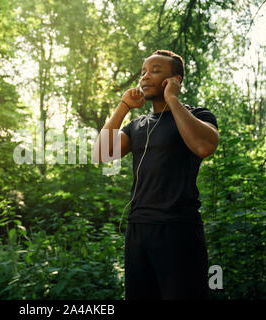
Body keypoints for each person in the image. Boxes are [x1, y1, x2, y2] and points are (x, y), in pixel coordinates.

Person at [92, 50, 219, 299]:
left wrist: (172, 99)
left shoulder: (198, 115)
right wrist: (124, 107)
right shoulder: (137, 126)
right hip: (138, 230)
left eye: (155, 71)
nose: (146, 77)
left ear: (175, 79)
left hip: (178, 230)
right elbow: (100, 154)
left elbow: (204, 147)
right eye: (143, 72)